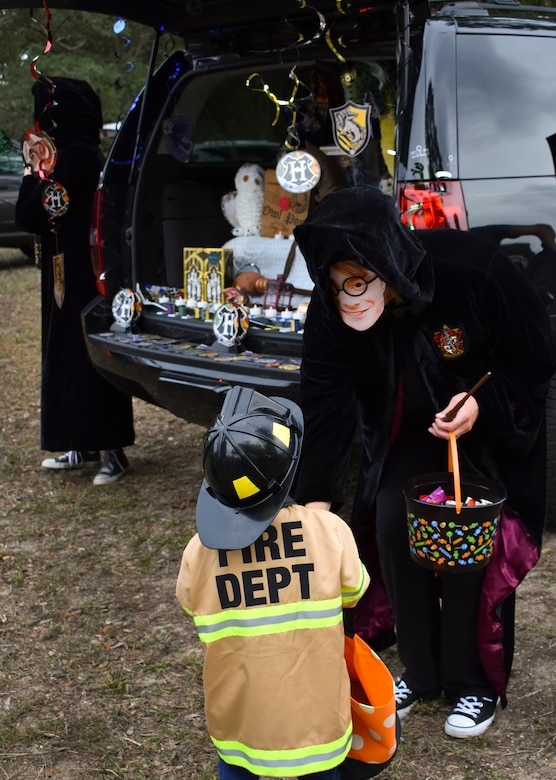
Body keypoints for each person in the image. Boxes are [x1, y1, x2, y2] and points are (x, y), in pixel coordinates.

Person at [292, 184, 556, 739]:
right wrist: (315, 503)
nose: (350, 296)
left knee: (463, 536)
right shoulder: (332, 307)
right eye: (337, 283)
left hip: (481, 440)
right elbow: (324, 400)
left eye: (359, 280)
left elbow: (533, 359)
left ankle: (473, 682)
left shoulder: (473, 271)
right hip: (404, 438)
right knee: (393, 524)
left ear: (387, 262)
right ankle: (421, 669)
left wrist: (482, 403)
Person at [176, 386, 370, 779]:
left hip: (240, 724)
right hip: (318, 726)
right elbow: (354, 592)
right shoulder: (329, 532)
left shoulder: (200, 551)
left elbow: (189, 602)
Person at [15, 77, 134, 485]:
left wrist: (34, 172)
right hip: (65, 267)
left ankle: (111, 449)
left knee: (85, 355)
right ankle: (78, 442)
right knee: (64, 352)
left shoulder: (76, 156)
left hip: (82, 270)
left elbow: (44, 211)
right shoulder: (70, 154)